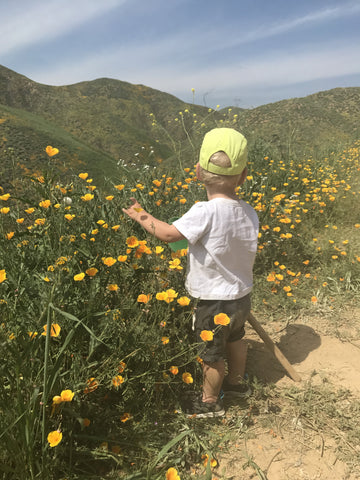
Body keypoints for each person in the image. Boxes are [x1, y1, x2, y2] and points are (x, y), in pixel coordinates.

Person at [123, 128, 259, 418]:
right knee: (236, 339)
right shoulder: (249, 211)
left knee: (211, 354)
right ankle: (237, 384)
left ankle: (209, 403)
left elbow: (170, 235)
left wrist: (141, 216)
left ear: (197, 172)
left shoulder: (204, 212)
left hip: (213, 301)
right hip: (242, 296)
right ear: (243, 175)